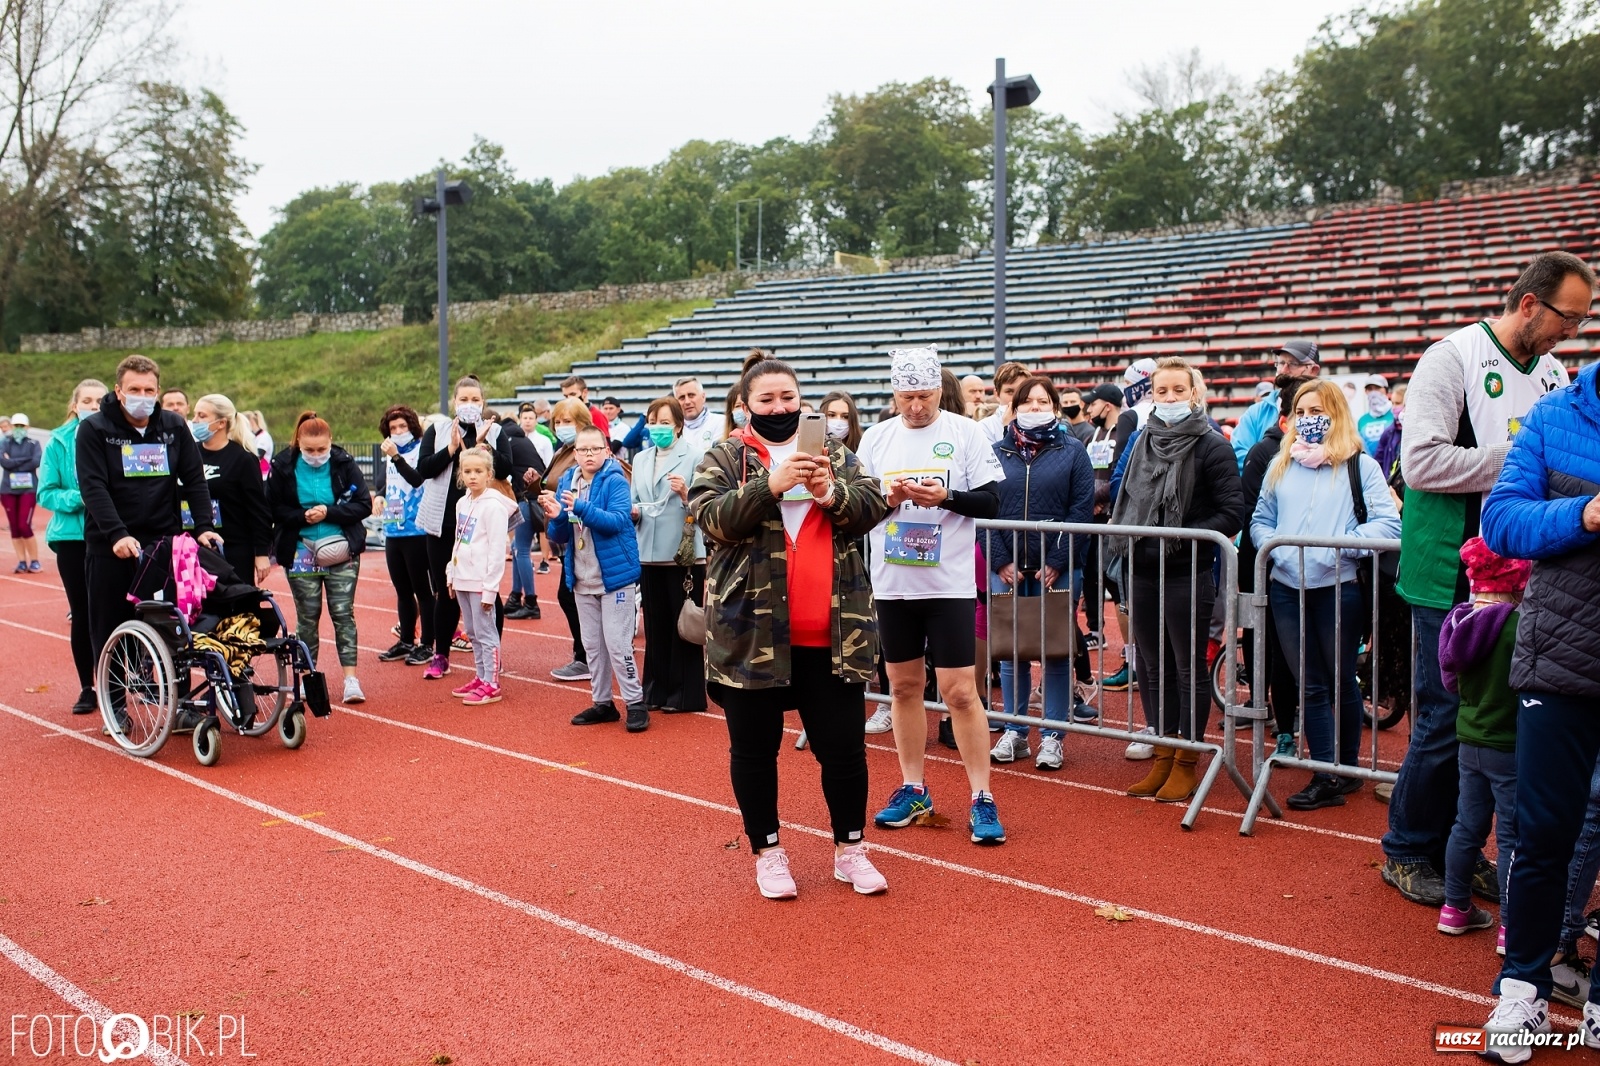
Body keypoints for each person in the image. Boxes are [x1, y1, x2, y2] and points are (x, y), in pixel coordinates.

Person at [1383, 251, 1590, 910]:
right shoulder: (1452, 358)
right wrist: (1522, 457)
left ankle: (1459, 850)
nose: (1572, 333)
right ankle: (1408, 847)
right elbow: (1419, 464)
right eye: (1567, 318)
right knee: (1446, 720)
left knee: (1495, 725)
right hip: (1449, 569)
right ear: (1530, 303)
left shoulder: (1556, 373)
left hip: (1524, 578)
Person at [688, 354, 890, 899]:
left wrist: (831, 493)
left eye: (788, 398)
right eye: (767, 400)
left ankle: (850, 849)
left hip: (833, 636)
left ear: (802, 399)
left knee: (844, 751)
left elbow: (874, 507)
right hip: (751, 637)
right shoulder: (725, 455)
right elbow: (712, 520)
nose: (780, 408)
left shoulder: (834, 452)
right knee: (754, 751)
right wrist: (769, 486)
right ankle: (767, 851)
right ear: (747, 405)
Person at [1477, 347, 1600, 1057]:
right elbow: (1502, 524)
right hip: (1560, 662)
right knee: (1543, 833)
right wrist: (1585, 514)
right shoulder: (1558, 415)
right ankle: (1520, 993)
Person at [859, 346, 1009, 845]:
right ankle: (912, 786)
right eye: (906, 397)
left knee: (960, 692)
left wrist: (945, 496)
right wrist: (889, 499)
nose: (915, 406)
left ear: (937, 391)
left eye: (923, 396)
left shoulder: (964, 432)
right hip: (893, 584)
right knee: (902, 688)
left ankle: (982, 796)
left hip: (948, 584)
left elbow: (991, 499)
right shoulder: (877, 437)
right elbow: (856, 510)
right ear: (894, 393)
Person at [1250, 379, 1401, 810]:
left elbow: (1388, 526)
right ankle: (1325, 773)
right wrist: (1276, 548)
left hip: (1339, 588)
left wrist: (1338, 544)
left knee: (1340, 682)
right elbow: (1260, 519)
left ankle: (1347, 768)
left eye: (1317, 410)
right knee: (1311, 684)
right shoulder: (1281, 463)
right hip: (1285, 589)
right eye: (1301, 411)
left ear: (1335, 413)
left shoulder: (1361, 466)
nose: (1308, 419)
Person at [1110, 357, 1242, 803]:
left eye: (1177, 391)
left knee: (1187, 668)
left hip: (1187, 571)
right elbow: (1123, 495)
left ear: (1194, 394)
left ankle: (1187, 759)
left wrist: (1178, 536)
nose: (1168, 398)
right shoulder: (1141, 440)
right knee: (1151, 666)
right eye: (1161, 391)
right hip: (1142, 570)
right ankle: (1164, 753)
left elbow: (1231, 511)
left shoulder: (1212, 445)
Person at [77, 355, 219, 729]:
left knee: (177, 626)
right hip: (111, 545)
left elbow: (194, 479)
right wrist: (117, 533)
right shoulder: (93, 430)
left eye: (149, 390)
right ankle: (116, 707)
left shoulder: (172, 426)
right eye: (135, 390)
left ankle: (181, 703)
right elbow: (94, 487)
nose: (143, 397)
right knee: (111, 628)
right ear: (119, 392)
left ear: (158, 391)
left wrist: (202, 526)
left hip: (163, 542)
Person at [985, 376, 1095, 772]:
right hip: (1007, 567)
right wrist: (1000, 560)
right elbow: (986, 509)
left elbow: (1081, 510)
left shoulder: (1074, 451)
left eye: (1042, 401)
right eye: (1027, 402)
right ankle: (1016, 732)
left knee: (1055, 649)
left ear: (1055, 407)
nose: (1035, 408)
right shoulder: (994, 451)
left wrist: (1058, 560)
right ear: (1014, 409)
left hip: (1058, 568)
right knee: (1012, 651)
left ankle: (1052, 736)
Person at [1435, 538, 1527, 940]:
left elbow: (1451, 682)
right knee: (1510, 835)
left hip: (1468, 740)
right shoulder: (1518, 626)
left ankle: (1454, 907)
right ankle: (1511, 925)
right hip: (1509, 744)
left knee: (1466, 826)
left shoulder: (1457, 622)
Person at [541, 426, 646, 731]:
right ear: (574, 454)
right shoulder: (566, 481)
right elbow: (559, 535)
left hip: (615, 577)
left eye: (594, 449)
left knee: (617, 643)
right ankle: (602, 703)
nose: (588, 455)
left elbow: (616, 521)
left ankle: (635, 702)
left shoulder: (614, 480)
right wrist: (557, 516)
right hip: (582, 576)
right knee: (592, 646)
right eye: (583, 450)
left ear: (605, 451)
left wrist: (580, 507)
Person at [412, 375, 513, 681]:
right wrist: (451, 449)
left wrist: (482, 446)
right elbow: (424, 469)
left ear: (483, 402)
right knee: (446, 591)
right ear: (454, 402)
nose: (470, 405)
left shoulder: (495, 431)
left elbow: (507, 468)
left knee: (487, 591)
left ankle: (493, 654)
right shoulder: (439, 429)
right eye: (464, 400)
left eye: (475, 400)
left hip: (481, 524)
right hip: (443, 524)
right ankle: (441, 654)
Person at [269, 412, 371, 704]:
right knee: (307, 617)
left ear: (331, 443)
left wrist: (329, 512)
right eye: (309, 450)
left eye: (321, 450)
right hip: (301, 548)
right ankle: (305, 677)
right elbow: (272, 507)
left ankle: (351, 679)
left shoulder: (344, 463)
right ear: (298, 442)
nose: (316, 455)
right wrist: (302, 516)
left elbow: (363, 504)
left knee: (342, 613)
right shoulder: (283, 465)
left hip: (341, 546)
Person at [630, 397, 706, 715]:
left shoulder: (696, 456)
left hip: (682, 554)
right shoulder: (641, 459)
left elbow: (706, 504)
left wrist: (686, 493)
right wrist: (633, 512)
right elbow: (635, 501)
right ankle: (655, 690)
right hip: (648, 553)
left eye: (664, 422)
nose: (658, 427)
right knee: (657, 625)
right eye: (653, 421)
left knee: (683, 625)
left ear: (677, 425)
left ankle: (685, 695)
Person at [37, 380, 107, 715]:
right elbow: (46, 493)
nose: (93, 406)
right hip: (72, 538)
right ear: (75, 404)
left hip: (111, 534)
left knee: (115, 609)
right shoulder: (59, 442)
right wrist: (84, 497)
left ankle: (119, 680)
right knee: (83, 612)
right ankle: (87, 687)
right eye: (87, 400)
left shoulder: (115, 436)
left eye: (99, 401)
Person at [1239, 386, 1302, 756]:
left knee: (1294, 649)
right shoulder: (1265, 452)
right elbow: (1252, 514)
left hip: (1312, 573)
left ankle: (1294, 718)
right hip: (1265, 568)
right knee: (1266, 641)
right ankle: (1273, 717)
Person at [445, 447, 519, 706]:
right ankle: (480, 676)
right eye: (467, 471)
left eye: (478, 471)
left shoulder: (494, 507)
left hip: (481, 582)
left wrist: (490, 589)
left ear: (489, 474)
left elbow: (498, 550)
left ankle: (492, 682)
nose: (472, 476)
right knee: (473, 632)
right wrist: (451, 573)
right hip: (463, 578)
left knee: (486, 633)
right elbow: (459, 541)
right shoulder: (462, 503)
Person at [188, 395, 273, 587]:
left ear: (221, 423)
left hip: (232, 549)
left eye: (201, 416)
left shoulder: (243, 459)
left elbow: (258, 509)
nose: (194, 421)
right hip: (192, 546)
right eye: (195, 415)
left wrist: (261, 553)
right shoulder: (189, 454)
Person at [376, 405, 436, 666]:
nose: (398, 432)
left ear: (412, 426)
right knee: (402, 590)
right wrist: (378, 495)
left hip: (417, 529)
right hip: (393, 528)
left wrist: (397, 458)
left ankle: (427, 644)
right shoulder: (389, 453)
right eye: (393, 428)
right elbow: (385, 480)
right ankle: (406, 640)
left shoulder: (421, 449)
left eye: (402, 426)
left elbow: (417, 479)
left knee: (423, 591)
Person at [543, 398, 596, 682]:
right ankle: (587, 654)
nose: (562, 427)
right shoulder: (563, 450)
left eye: (568, 422)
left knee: (572, 595)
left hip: (586, 536)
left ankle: (587, 655)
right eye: (558, 422)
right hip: (568, 532)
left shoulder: (587, 454)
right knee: (571, 594)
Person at [1231, 341, 1321, 471]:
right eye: (1281, 363)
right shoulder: (1256, 413)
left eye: (1293, 364)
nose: (1284, 370)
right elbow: (1238, 455)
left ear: (1314, 370)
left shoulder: (1329, 409)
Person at [495, 406, 545, 620]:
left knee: (521, 550)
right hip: (534, 498)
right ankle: (516, 596)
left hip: (527, 499)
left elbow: (498, 471)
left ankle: (531, 602)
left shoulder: (507, 443)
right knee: (517, 548)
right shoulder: (522, 440)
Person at [1, 414, 42, 572]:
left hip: (28, 489)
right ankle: (22, 562)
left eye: (21, 426)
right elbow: (3, 462)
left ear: (27, 427)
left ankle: (35, 560)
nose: (19, 428)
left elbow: (36, 461)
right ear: (12, 426)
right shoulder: (4, 442)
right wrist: (24, 461)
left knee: (24, 525)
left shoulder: (34, 443)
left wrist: (13, 462)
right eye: (16, 425)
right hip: (8, 490)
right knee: (14, 527)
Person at [977, 360, 1031, 443]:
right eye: (1010, 392)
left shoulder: (1041, 423)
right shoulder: (984, 427)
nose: (1016, 397)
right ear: (997, 394)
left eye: (1022, 391)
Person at [1358, 375, 1395, 457]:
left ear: (1386, 390)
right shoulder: (1362, 420)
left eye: (1377, 388)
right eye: (1370, 389)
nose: (1373, 392)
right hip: (1371, 466)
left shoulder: (1395, 415)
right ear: (1366, 392)